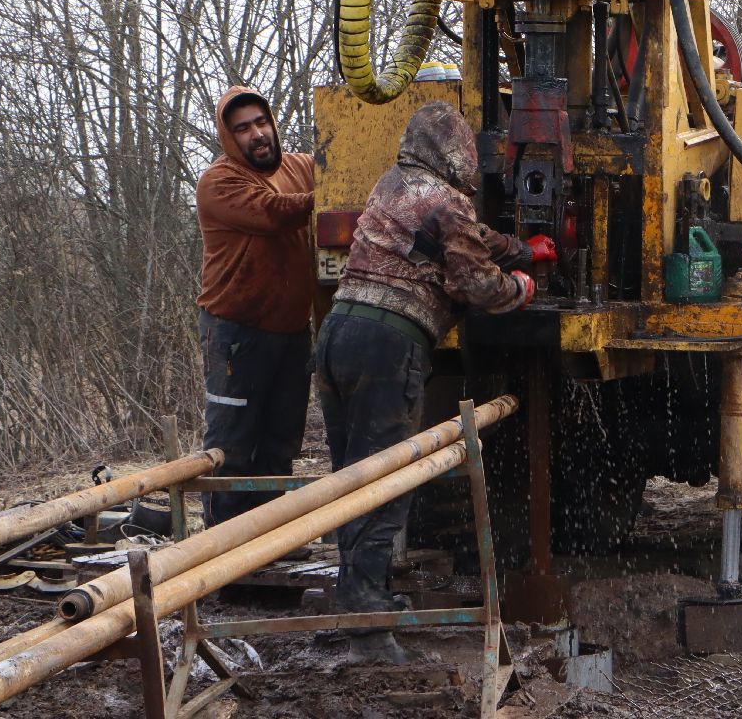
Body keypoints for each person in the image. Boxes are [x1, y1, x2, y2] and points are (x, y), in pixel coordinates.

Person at [315, 101, 555, 663]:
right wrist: (523, 285)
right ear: (456, 154)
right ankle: (369, 630)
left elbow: (457, 238)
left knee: (350, 477)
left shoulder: (394, 186)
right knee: (386, 480)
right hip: (388, 344)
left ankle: (356, 592)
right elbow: (477, 284)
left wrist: (519, 246)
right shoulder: (446, 200)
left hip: (337, 334)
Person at [195, 87, 316, 526]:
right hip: (235, 334)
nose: (257, 134)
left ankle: (270, 552)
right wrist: (332, 196)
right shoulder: (220, 182)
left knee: (280, 447)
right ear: (229, 138)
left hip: (291, 332)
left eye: (261, 122)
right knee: (231, 449)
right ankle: (222, 564)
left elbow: (339, 175)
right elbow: (275, 212)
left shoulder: (301, 167)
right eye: (243, 128)